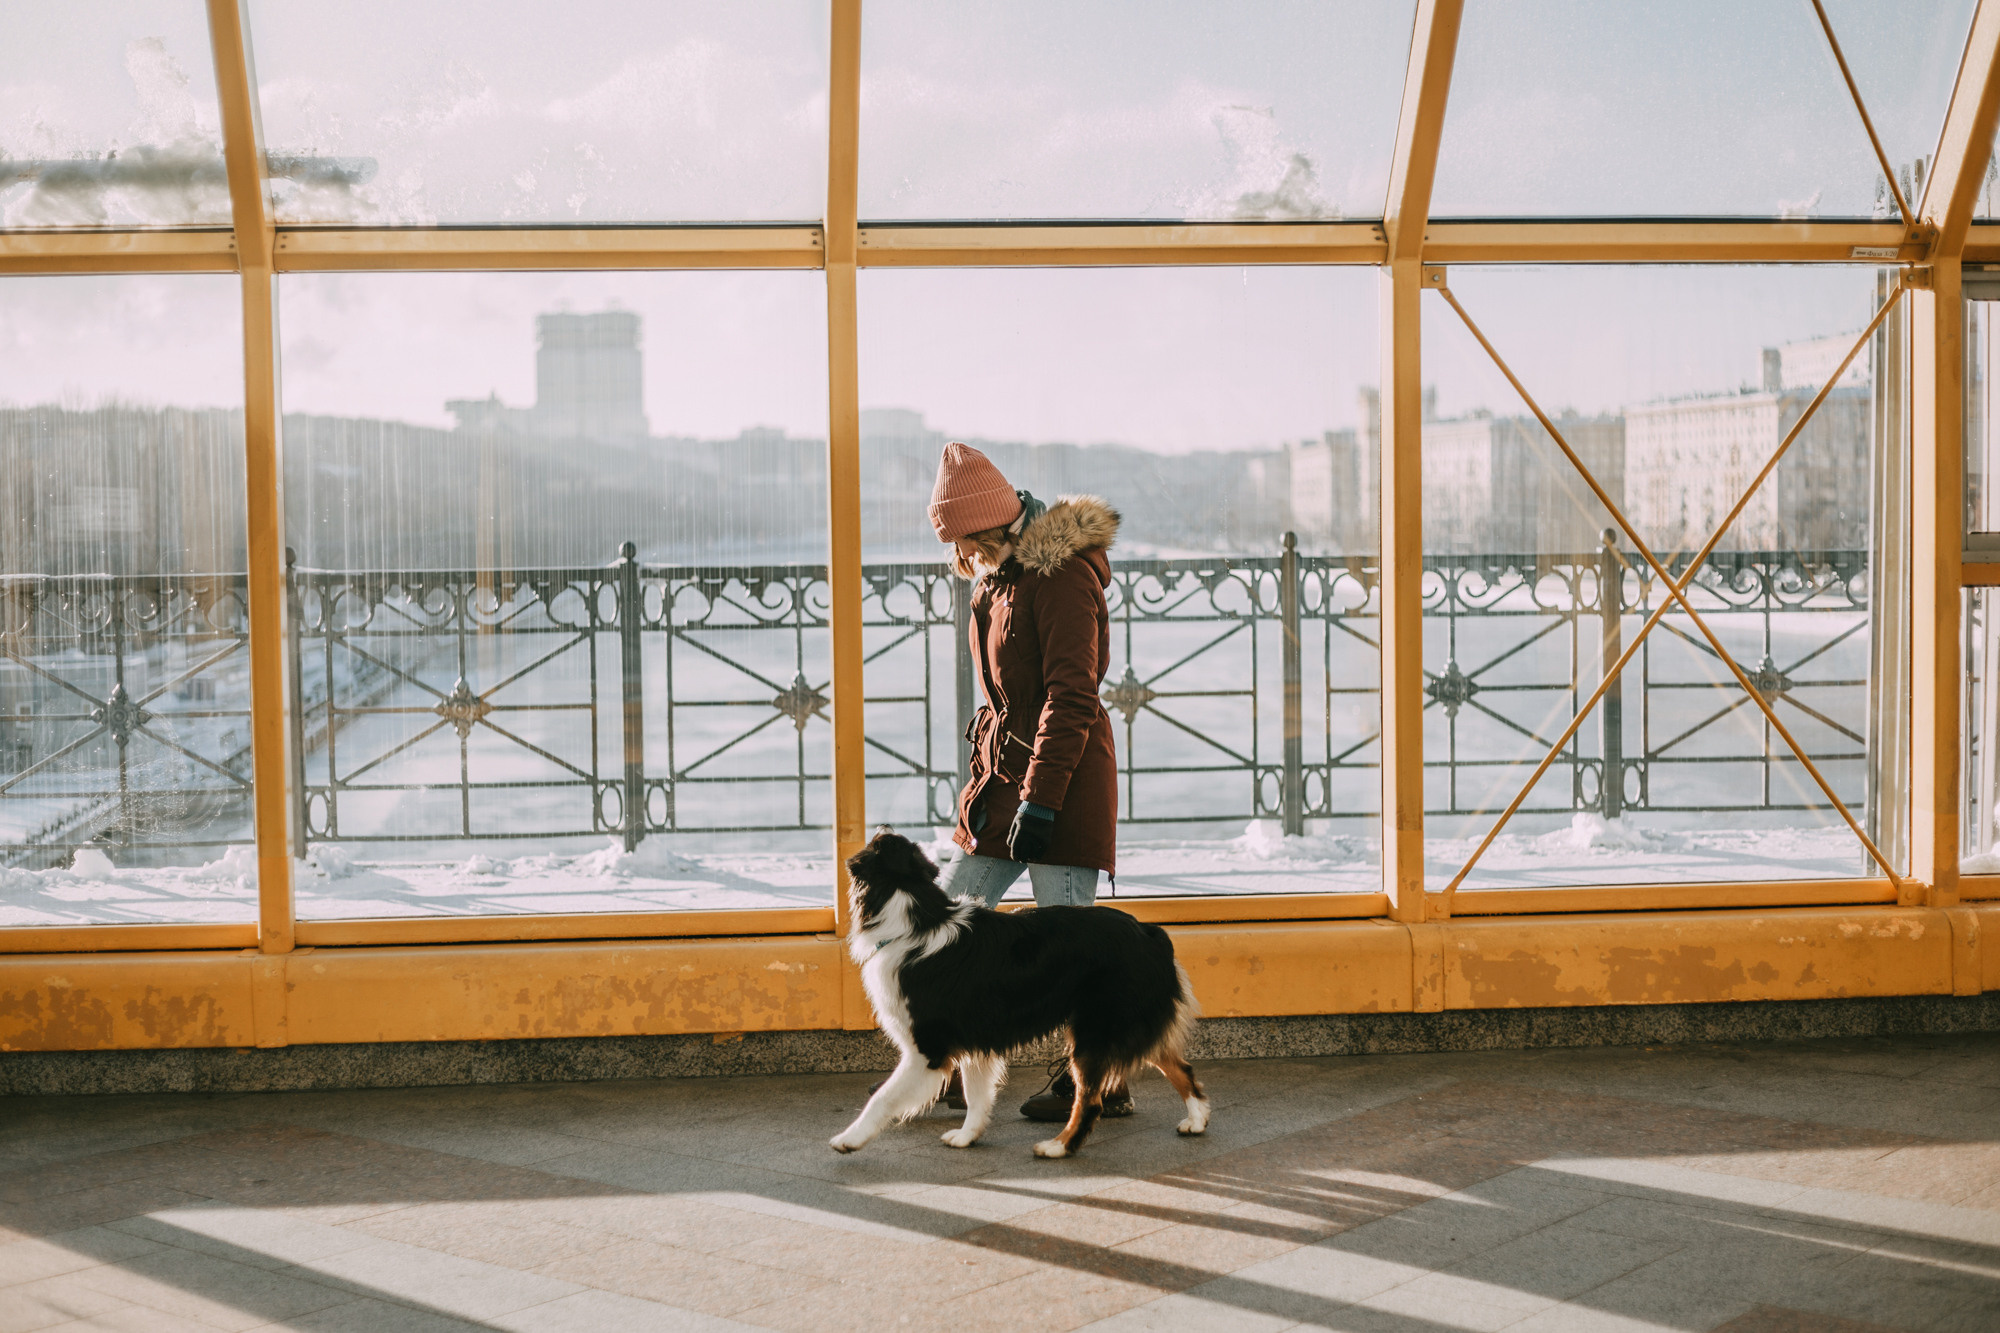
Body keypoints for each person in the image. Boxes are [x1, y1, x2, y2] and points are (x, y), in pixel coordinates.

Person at [927, 441, 1128, 1121]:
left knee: (1068, 948)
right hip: (1004, 788)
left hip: (1061, 786)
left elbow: (1072, 695)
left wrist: (1040, 800)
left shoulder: (1061, 576)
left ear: (988, 528)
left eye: (963, 544)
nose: (961, 561)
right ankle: (956, 1062)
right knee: (948, 919)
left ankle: (1100, 1080)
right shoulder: (998, 579)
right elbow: (1005, 702)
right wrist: (988, 791)